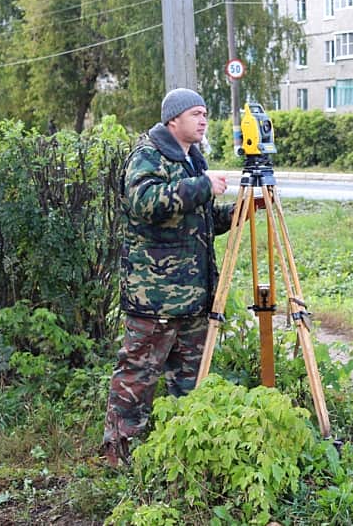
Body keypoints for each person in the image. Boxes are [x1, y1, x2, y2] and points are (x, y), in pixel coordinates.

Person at [102, 88, 233, 467]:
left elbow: (200, 222)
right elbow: (147, 203)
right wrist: (204, 186)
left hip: (193, 298)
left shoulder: (193, 160)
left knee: (190, 383)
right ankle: (119, 455)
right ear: (173, 119)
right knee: (137, 377)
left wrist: (239, 210)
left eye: (206, 113)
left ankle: (182, 452)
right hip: (155, 298)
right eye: (196, 113)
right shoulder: (149, 156)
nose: (203, 120)